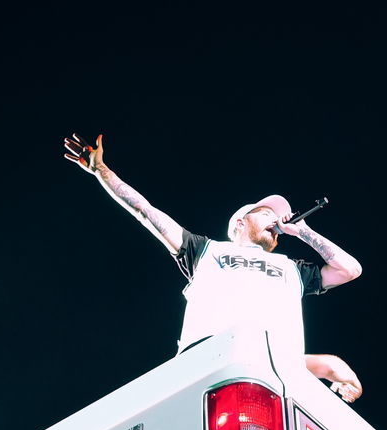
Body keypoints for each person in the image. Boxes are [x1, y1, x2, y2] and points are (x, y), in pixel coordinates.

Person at [62, 133, 366, 402]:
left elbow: (349, 270)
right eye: (264, 213)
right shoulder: (206, 250)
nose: (274, 220)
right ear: (239, 222)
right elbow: (145, 211)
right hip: (206, 366)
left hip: (272, 378)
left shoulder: (291, 268)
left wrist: (303, 232)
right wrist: (101, 170)